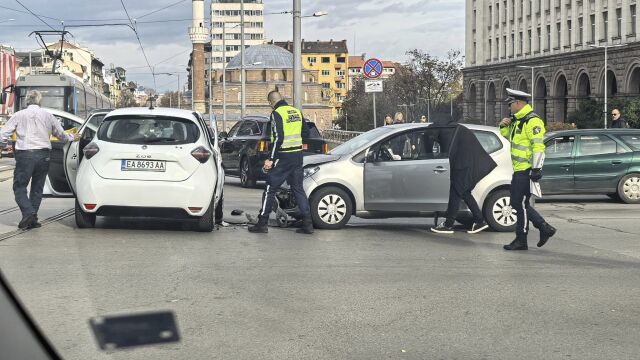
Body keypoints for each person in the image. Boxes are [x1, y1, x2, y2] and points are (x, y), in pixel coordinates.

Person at [0, 90, 79, 229]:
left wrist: (2, 145)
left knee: (19, 187)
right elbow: (61, 135)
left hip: (25, 155)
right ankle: (32, 218)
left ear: (27, 101)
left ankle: (28, 213)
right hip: (44, 156)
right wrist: (73, 137)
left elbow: (3, 134)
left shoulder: (18, 115)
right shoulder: (48, 116)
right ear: (39, 101)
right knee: (37, 188)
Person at [248, 90, 313, 234]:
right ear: (282, 98)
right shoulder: (296, 112)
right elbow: (306, 133)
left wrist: (271, 159)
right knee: (298, 189)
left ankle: (262, 223)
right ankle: (308, 224)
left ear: (271, 103)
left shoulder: (276, 114)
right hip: (297, 156)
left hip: (283, 157)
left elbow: (278, 138)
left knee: (270, 189)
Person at [498, 88, 556, 250]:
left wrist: (536, 169)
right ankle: (544, 227)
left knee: (519, 204)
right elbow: (509, 138)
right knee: (518, 203)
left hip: (527, 170)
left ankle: (522, 239)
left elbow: (538, 147)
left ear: (518, 103)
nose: (509, 108)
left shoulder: (532, 121)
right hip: (519, 170)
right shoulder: (517, 120)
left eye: (510, 104)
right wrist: (503, 126)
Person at [430, 117, 496, 234]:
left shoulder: (448, 133)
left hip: (465, 167)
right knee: (463, 192)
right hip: (472, 165)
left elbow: (448, 154)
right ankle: (479, 221)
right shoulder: (453, 128)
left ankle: (449, 224)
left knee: (456, 192)